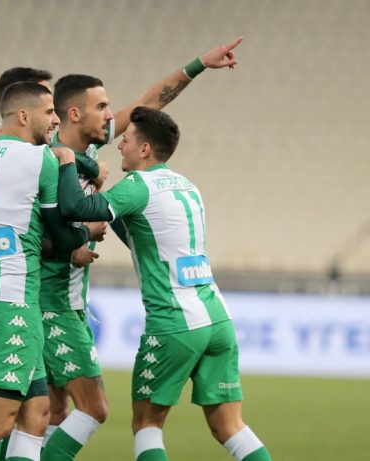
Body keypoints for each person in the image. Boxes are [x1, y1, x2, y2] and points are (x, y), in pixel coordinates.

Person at [40, 36, 244, 460]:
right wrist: (71, 245)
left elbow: (150, 102)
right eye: (102, 106)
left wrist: (198, 65)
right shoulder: (42, 157)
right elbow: (29, 230)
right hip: (46, 297)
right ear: (74, 113)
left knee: (49, 410)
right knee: (82, 408)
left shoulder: (90, 149)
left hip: (72, 299)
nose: (111, 117)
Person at [54, 106, 272, 461]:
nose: (119, 145)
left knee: (147, 425)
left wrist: (68, 162)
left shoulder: (138, 186)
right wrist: (104, 201)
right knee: (230, 427)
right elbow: (141, 236)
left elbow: (76, 207)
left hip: (175, 321)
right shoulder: (187, 185)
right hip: (217, 318)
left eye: (126, 140)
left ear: (144, 149)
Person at [0, 81, 105, 461]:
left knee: (37, 413)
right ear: (24, 116)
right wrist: (87, 231)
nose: (56, 120)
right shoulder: (39, 159)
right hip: (12, 299)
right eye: (49, 112)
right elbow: (63, 236)